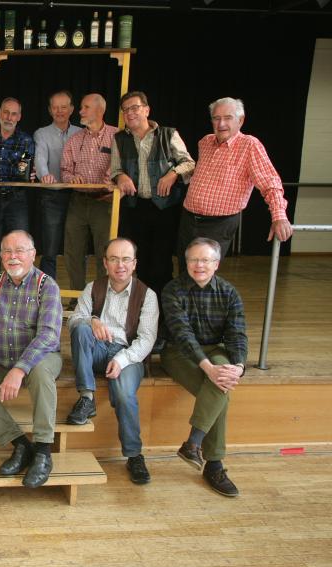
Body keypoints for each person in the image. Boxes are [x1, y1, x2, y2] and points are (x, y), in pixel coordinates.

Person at [0, 230, 62, 488]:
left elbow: (48, 336)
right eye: (7, 251)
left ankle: (43, 451)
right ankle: (20, 444)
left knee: (41, 373)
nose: (12, 256)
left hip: (40, 359)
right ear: (0, 256)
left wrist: (19, 369)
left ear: (33, 254)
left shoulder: (47, 285)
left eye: (19, 251)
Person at [65, 238, 158, 484]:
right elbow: (73, 320)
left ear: (134, 263)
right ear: (105, 263)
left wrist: (122, 359)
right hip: (97, 351)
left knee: (124, 395)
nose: (120, 265)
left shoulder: (147, 295)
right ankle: (87, 398)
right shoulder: (93, 287)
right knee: (81, 328)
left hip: (128, 354)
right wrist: (91, 320)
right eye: (114, 259)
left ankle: (134, 455)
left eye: (126, 259)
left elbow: (147, 339)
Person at [161, 237, 248, 497]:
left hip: (215, 349)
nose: (199, 265)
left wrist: (239, 366)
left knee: (223, 377)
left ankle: (193, 444)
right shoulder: (172, 290)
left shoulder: (229, 292)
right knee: (220, 389)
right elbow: (183, 334)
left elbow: (237, 334)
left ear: (216, 264)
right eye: (194, 259)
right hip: (178, 353)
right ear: (186, 262)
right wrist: (209, 369)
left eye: (205, 260)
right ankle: (213, 464)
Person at [178, 97, 293, 268]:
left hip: (218, 224)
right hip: (188, 219)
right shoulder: (205, 142)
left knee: (201, 272)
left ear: (241, 120)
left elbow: (270, 183)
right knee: (184, 269)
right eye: (216, 118)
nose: (221, 124)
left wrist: (279, 216)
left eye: (228, 118)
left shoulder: (249, 145)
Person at [110, 91, 195, 298]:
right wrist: (120, 176)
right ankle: (144, 308)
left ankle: (162, 310)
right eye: (125, 110)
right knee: (140, 263)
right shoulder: (119, 139)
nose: (130, 113)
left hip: (165, 208)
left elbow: (189, 163)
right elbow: (115, 169)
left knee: (162, 264)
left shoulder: (168, 134)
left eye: (135, 108)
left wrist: (173, 174)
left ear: (147, 110)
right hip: (135, 208)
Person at [61, 93, 118, 295]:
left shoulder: (116, 136)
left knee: (106, 251)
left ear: (100, 110)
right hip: (78, 201)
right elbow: (65, 169)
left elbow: (122, 167)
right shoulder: (75, 139)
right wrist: (71, 178)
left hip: (105, 202)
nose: (80, 111)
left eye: (86, 107)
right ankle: (77, 296)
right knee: (73, 251)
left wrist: (110, 181)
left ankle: (102, 297)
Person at [34, 90, 81, 279]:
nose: (59, 111)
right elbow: (39, 158)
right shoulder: (41, 133)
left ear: (72, 109)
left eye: (64, 107)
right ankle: (47, 291)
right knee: (50, 248)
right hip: (52, 195)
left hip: (78, 195)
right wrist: (45, 175)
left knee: (77, 247)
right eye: (55, 107)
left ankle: (78, 291)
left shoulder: (81, 133)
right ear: (49, 110)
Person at [0, 97, 35, 270]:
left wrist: (27, 174)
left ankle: (19, 280)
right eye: (6, 112)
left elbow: (23, 173)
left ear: (19, 117)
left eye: (14, 114)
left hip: (16, 198)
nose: (9, 117)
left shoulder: (26, 140)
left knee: (20, 243)